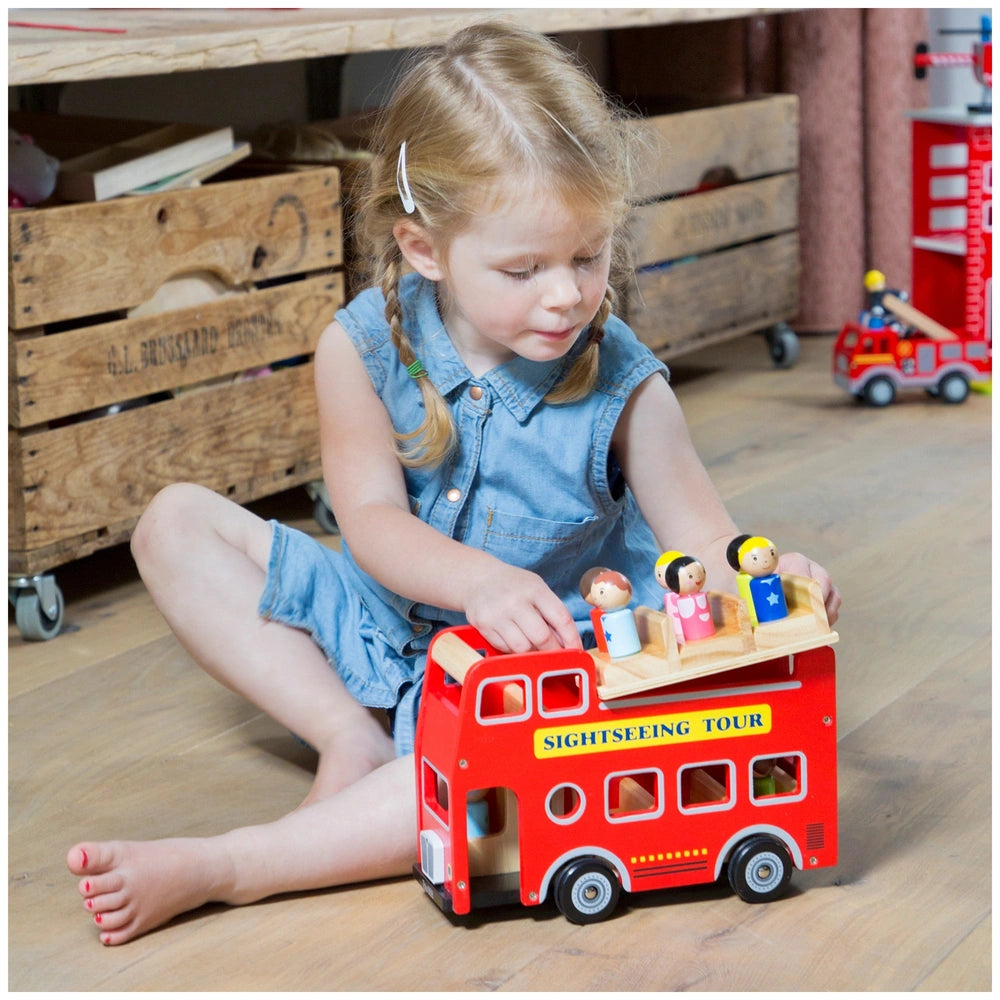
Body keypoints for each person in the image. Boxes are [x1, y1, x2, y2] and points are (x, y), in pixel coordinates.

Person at [66, 21, 841, 946]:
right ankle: (346, 734)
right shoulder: (359, 346)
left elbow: (706, 541)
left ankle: (236, 864)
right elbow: (371, 525)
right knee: (172, 524)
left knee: (482, 781)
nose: (565, 294)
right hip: (393, 625)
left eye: (588, 257)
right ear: (426, 249)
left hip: (545, 668)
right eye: (523, 269)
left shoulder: (625, 384)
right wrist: (475, 583)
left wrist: (768, 579)